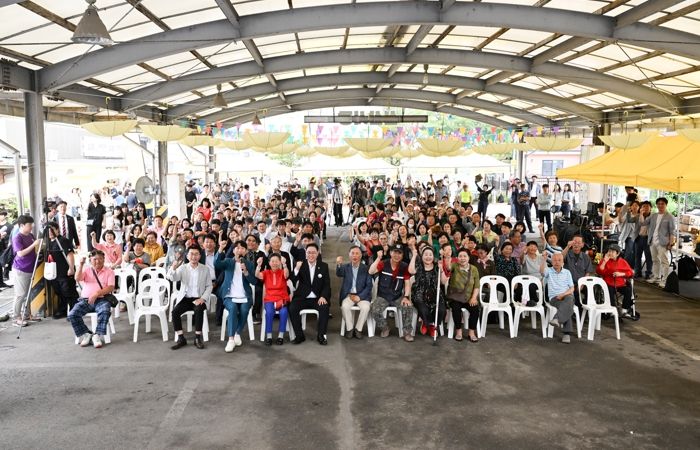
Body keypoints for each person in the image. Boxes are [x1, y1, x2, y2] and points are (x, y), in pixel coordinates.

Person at [216, 239, 256, 353]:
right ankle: (231, 339)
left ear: (246, 251)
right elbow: (217, 264)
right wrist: (220, 249)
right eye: (237, 248)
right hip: (229, 295)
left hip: (244, 295)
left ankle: (238, 332)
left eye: (242, 248)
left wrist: (246, 272)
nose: (240, 250)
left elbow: (254, 281)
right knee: (233, 308)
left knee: (244, 310)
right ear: (233, 250)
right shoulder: (228, 261)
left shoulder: (249, 264)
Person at [168, 246, 213, 350]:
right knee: (175, 312)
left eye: (196, 254)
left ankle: (197, 338)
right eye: (191, 254)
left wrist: (203, 299)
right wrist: (173, 268)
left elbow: (209, 286)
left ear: (200, 256)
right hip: (185, 298)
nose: (194, 256)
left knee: (199, 310)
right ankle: (181, 338)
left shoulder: (205, 269)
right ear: (187, 256)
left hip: (198, 298)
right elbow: (173, 278)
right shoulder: (183, 268)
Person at [368, 245, 415, 342]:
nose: (397, 255)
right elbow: (371, 271)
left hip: (397, 296)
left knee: (408, 307)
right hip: (383, 296)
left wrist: (406, 297)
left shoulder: (404, 266)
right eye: (395, 252)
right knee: (374, 309)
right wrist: (378, 258)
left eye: (399, 253)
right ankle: (385, 327)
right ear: (390, 253)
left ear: (402, 255)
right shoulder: (383, 263)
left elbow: (407, 283)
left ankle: (407, 332)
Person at [68, 250, 115, 348]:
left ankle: (97, 335)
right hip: (86, 300)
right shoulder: (87, 270)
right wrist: (81, 265)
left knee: (105, 311)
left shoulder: (109, 271)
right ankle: (86, 334)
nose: (98, 261)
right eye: (95, 259)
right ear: (90, 260)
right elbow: (77, 278)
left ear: (104, 259)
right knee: (72, 314)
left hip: (102, 300)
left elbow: (111, 287)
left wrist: (96, 294)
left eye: (100, 259)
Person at [288, 243, 331, 345]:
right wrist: (296, 269)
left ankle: (321, 335)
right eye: (309, 253)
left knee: (324, 308)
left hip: (317, 298)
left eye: (313, 253)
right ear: (306, 253)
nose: (311, 255)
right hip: (302, 297)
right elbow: (292, 280)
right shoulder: (300, 264)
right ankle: (299, 335)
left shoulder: (324, 266)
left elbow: (326, 284)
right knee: (292, 308)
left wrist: (323, 296)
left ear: (318, 253)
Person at [408, 246, 447, 338]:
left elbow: (444, 281)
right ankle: (429, 324)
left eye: (430, 255)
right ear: (422, 256)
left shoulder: (437, 267)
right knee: (423, 307)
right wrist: (414, 256)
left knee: (441, 310)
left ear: (433, 256)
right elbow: (410, 270)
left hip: (435, 294)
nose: (428, 257)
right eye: (425, 254)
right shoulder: (419, 266)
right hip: (420, 295)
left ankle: (431, 324)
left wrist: (442, 270)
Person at [336, 246, 373, 339]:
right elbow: (339, 273)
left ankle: (358, 329)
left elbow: (369, 286)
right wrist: (339, 264)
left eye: (357, 253)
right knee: (345, 306)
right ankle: (349, 329)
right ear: (349, 255)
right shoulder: (346, 267)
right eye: (352, 253)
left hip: (362, 296)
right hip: (349, 295)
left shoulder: (366, 268)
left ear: (360, 255)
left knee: (365, 307)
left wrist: (360, 297)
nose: (354, 255)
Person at [11, 215, 42, 327]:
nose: (31, 227)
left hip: (30, 268)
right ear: (22, 225)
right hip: (21, 269)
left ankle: (27, 315)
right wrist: (34, 245)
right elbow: (20, 253)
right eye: (29, 225)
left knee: (28, 293)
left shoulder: (30, 235)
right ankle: (16, 317)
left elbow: (34, 250)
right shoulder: (17, 238)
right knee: (20, 294)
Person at [256, 253, 291, 346]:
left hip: (282, 299)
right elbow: (257, 275)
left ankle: (281, 336)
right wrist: (258, 266)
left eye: (276, 261)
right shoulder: (266, 272)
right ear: (269, 262)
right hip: (269, 299)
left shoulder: (282, 271)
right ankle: (269, 336)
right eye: (272, 261)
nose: (274, 263)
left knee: (284, 312)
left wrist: (285, 264)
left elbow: (287, 275)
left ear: (279, 262)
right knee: (269, 312)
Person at [446, 248, 481, 342]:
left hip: (469, 298)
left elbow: (477, 286)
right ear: (457, 258)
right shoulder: (455, 266)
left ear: (469, 257)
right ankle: (458, 331)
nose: (462, 258)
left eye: (465, 256)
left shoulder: (474, 269)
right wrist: (448, 257)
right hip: (455, 297)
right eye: (460, 256)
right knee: (456, 308)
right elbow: (448, 268)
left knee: (475, 309)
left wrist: (474, 298)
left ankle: (471, 332)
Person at [46, 222, 78, 319]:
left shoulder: (63, 241)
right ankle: (63, 310)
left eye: (52, 230)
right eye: (48, 231)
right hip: (54, 273)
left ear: (57, 230)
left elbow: (70, 254)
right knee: (59, 292)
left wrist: (71, 268)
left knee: (69, 292)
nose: (50, 232)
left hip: (65, 271)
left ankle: (74, 312)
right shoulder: (48, 242)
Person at [596, 244, 635, 319]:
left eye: (612, 252)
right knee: (609, 290)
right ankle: (612, 310)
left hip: (620, 284)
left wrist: (621, 274)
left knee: (628, 290)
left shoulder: (622, 261)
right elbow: (599, 272)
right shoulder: (605, 260)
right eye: (609, 251)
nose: (610, 253)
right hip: (608, 283)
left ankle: (624, 310)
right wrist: (604, 262)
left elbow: (631, 272)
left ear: (618, 253)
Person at [544, 253, 576, 344]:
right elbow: (541, 271)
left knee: (569, 300)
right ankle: (567, 334)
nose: (557, 262)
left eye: (559, 260)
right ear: (551, 262)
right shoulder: (549, 271)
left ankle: (556, 319)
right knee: (568, 306)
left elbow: (572, 288)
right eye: (554, 260)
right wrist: (543, 260)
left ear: (563, 262)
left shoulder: (567, 272)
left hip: (566, 296)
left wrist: (563, 294)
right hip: (554, 298)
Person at [647, 197, 675, 287]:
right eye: (658, 204)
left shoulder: (669, 216)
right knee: (655, 260)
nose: (660, 205)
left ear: (666, 205)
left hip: (663, 242)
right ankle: (656, 277)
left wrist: (671, 243)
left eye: (662, 204)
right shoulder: (654, 215)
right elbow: (643, 223)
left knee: (664, 262)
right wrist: (641, 213)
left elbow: (672, 231)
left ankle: (664, 280)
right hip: (652, 241)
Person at [562, 234, 595, 306]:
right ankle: (577, 309)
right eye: (574, 242)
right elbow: (560, 258)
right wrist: (567, 247)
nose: (576, 244)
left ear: (582, 245)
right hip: (568, 283)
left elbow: (588, 272)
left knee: (591, 290)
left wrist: (582, 283)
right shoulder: (567, 253)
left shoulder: (586, 257)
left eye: (579, 242)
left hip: (581, 282)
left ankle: (587, 307)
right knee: (575, 294)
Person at [634, 201, 653, 279]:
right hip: (639, 237)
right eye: (643, 206)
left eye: (647, 206)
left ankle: (648, 273)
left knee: (648, 257)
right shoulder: (638, 216)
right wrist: (640, 214)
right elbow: (629, 220)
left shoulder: (653, 217)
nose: (645, 208)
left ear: (650, 208)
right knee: (637, 256)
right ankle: (637, 272)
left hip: (647, 238)